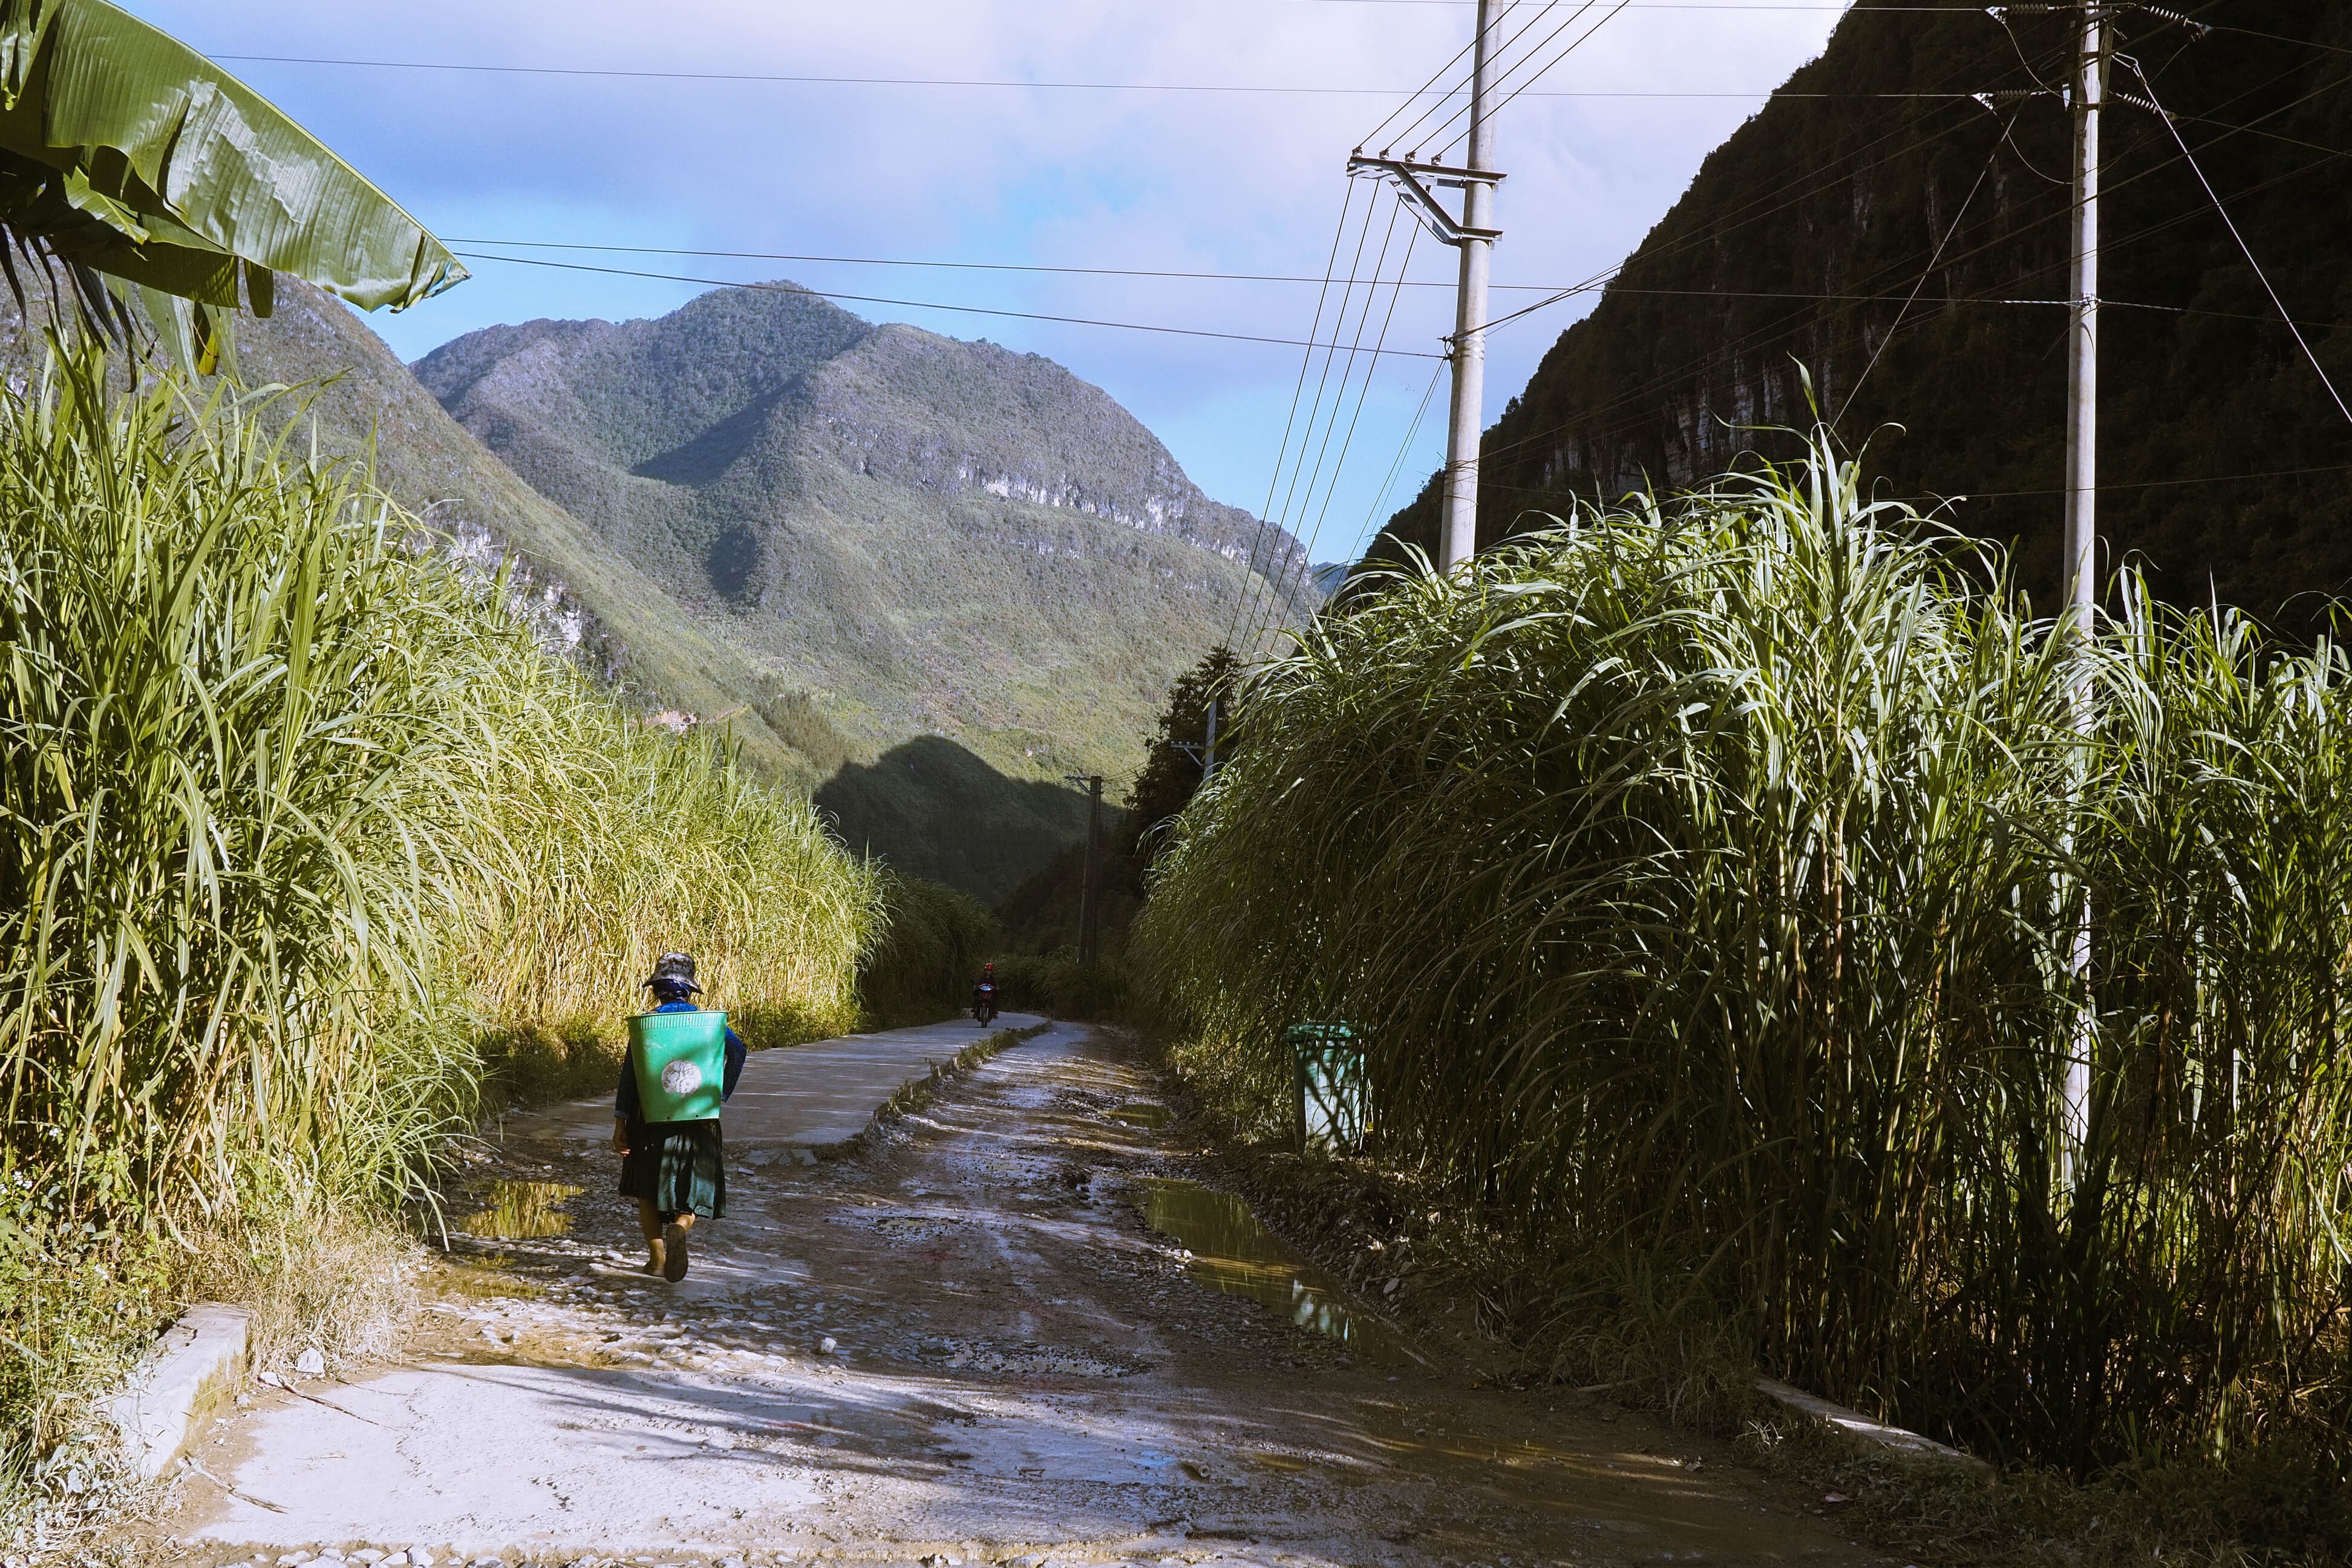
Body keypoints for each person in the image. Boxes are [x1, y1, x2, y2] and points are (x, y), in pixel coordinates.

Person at [613, 952, 746, 1281]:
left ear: (657, 988)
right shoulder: (709, 1024)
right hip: (699, 1116)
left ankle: (657, 1260)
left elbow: (630, 1076)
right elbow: (738, 1050)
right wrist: (720, 1091)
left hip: (650, 1119)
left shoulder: (646, 1025)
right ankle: (681, 1228)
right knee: (693, 1184)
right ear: (689, 990)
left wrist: (621, 1123)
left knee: (647, 1189)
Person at [972, 961, 999, 1026]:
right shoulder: (981, 978)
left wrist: (996, 988)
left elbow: (997, 985)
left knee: (994, 999)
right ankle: (975, 1011)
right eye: (987, 970)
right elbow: (977, 983)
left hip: (990, 993)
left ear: (991, 971)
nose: (988, 972)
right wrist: (976, 986)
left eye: (989, 971)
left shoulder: (993, 979)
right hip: (982, 992)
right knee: (977, 998)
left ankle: (994, 1011)